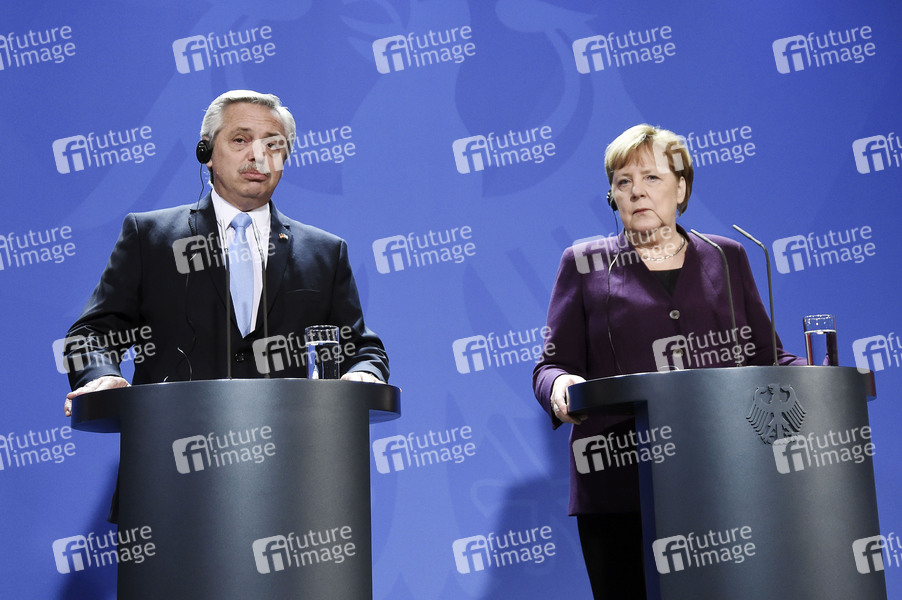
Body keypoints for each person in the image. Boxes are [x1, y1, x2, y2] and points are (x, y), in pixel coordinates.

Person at [532, 124, 804, 598]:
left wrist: (821, 379)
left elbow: (768, 358)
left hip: (723, 478)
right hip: (618, 484)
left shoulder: (727, 257)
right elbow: (550, 367)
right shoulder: (584, 263)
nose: (636, 191)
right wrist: (559, 387)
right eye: (623, 181)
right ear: (613, 197)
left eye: (651, 177)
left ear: (681, 188)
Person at [63, 89, 388, 417]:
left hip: (291, 440)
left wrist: (364, 372)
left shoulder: (325, 253)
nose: (258, 156)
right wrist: (100, 375)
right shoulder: (150, 237)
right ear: (206, 151)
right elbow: (91, 335)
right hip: (172, 437)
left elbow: (361, 348)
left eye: (273, 145)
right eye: (240, 140)